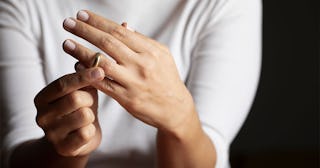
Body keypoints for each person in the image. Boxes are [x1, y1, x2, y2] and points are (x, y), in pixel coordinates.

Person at [0, 0, 262, 168]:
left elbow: (208, 154)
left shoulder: (225, 4)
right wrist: (71, 147)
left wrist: (179, 120)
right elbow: (18, 152)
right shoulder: (22, 4)